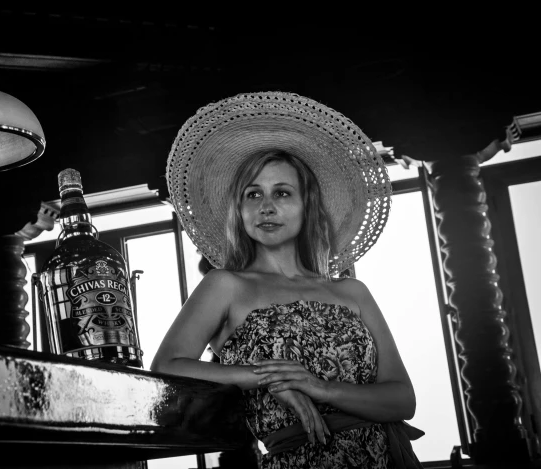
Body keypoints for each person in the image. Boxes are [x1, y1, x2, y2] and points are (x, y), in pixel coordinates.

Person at [153, 92, 423, 468]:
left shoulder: (352, 291)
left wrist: (318, 387)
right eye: (253, 194)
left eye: (282, 193)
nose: (266, 206)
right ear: (240, 210)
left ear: (306, 205)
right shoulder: (225, 285)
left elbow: (402, 400)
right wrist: (267, 378)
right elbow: (167, 366)